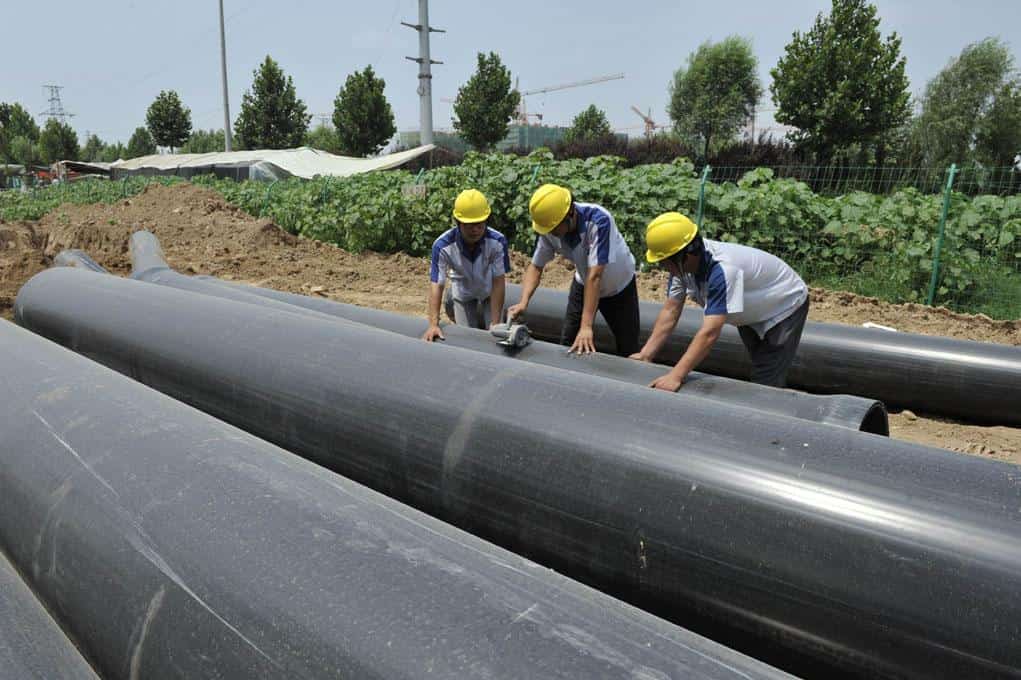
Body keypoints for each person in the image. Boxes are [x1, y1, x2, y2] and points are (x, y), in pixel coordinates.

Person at [633, 212, 809, 391]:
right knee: (759, 361)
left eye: (664, 262)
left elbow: (710, 332)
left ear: (684, 255)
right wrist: (646, 354)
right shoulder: (682, 268)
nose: (663, 267)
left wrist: (676, 376)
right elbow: (671, 310)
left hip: (784, 305)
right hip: (752, 309)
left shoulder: (723, 270)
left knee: (766, 378)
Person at [507, 183, 639, 356]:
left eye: (554, 228)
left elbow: (596, 275)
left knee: (628, 347)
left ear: (570, 214)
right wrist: (523, 302)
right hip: (584, 282)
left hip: (618, 288)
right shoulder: (550, 227)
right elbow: (536, 266)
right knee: (568, 341)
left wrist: (586, 326)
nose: (551, 233)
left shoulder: (598, 220)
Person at [422, 189, 511, 341]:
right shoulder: (443, 246)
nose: (475, 230)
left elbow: (498, 281)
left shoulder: (497, 242)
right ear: (458, 223)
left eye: (479, 224)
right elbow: (437, 284)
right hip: (463, 294)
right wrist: (433, 324)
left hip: (489, 291)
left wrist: (495, 323)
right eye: (469, 225)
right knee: (467, 339)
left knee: (495, 336)